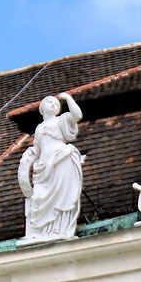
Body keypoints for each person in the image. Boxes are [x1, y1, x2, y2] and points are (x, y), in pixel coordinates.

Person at [18, 93, 85, 242]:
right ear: (42, 109)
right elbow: (37, 147)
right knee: (39, 196)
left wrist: (68, 99)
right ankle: (38, 232)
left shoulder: (61, 119)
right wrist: (27, 158)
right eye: (50, 102)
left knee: (62, 194)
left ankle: (58, 229)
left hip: (61, 159)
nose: (54, 104)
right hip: (43, 165)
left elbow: (77, 115)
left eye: (56, 103)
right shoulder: (39, 127)